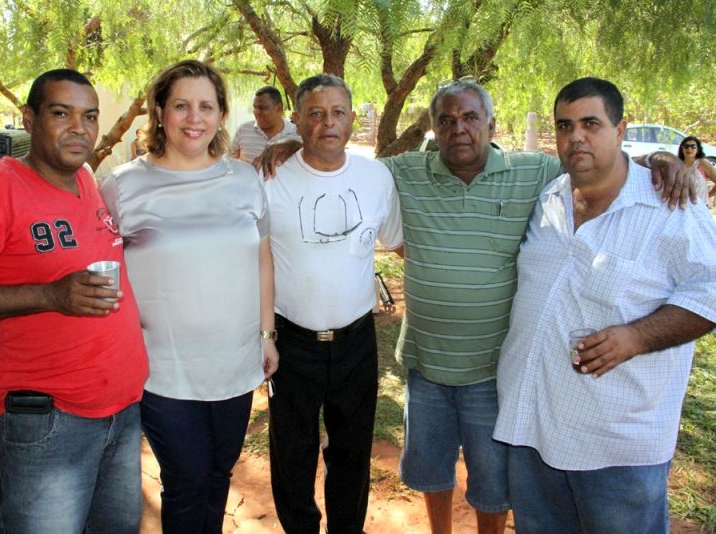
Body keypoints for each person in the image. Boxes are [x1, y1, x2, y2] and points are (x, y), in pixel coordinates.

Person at [257, 78, 691, 534]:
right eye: (445, 120)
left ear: (491, 123)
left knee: (490, 480)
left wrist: (661, 160)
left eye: (469, 117)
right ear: (432, 129)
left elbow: (594, 162)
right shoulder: (401, 172)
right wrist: (289, 148)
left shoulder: (533, 172)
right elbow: (331, 156)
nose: (458, 129)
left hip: (492, 367)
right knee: (426, 472)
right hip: (424, 364)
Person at [0, 69, 149, 533]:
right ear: (29, 119)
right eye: (60, 113)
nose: (78, 128)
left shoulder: (86, 181)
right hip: (50, 421)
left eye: (89, 116)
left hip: (122, 412)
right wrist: (50, 295)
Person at [493, 77, 716, 533]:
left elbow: (710, 291)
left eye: (591, 123)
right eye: (565, 125)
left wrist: (637, 336)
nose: (576, 136)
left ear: (620, 128)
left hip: (616, 445)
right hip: (533, 430)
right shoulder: (548, 198)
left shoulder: (669, 205)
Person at [99, 59, 278, 534]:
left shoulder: (244, 179)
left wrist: (266, 333)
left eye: (206, 105)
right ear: (159, 112)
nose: (193, 117)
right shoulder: (122, 186)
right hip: (163, 370)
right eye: (180, 105)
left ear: (221, 114)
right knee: (187, 480)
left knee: (219, 474)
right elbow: (103, 274)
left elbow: (262, 259)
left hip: (235, 365)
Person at [264, 73, 403, 533]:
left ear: (352, 119)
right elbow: (251, 257)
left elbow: (400, 244)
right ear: (297, 121)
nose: (329, 123)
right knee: (291, 453)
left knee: (352, 451)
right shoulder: (269, 177)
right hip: (291, 341)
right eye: (316, 113)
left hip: (356, 340)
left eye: (338, 112)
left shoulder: (375, 176)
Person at [231, 85, 299, 164]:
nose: (257, 112)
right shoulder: (243, 130)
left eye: (262, 108)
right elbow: (230, 162)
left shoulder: (296, 133)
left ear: (279, 108)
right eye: (255, 107)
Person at [678, 135, 716, 208]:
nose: (689, 149)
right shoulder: (677, 164)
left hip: (700, 206)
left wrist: (708, 195)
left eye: (693, 146)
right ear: (682, 149)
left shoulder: (702, 163)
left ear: (698, 149)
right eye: (686, 146)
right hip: (681, 207)